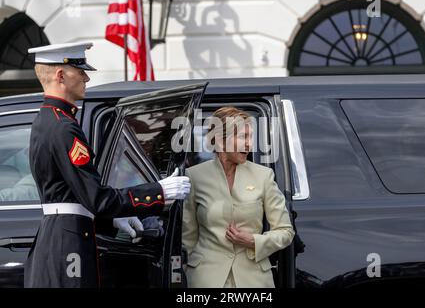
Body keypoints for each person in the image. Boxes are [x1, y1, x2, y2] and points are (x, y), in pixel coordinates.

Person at [25, 42, 191, 288]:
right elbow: (97, 198)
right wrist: (159, 191)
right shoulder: (63, 127)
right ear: (60, 75)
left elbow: (70, 194)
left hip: (61, 236)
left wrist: (111, 220)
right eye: (80, 71)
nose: (86, 78)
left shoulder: (48, 120)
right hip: (68, 244)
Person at [182, 107, 295, 288]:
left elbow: (285, 232)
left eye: (251, 137)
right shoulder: (194, 176)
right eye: (243, 137)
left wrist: (253, 241)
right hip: (206, 280)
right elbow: (188, 238)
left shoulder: (263, 176)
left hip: (253, 281)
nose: (249, 144)